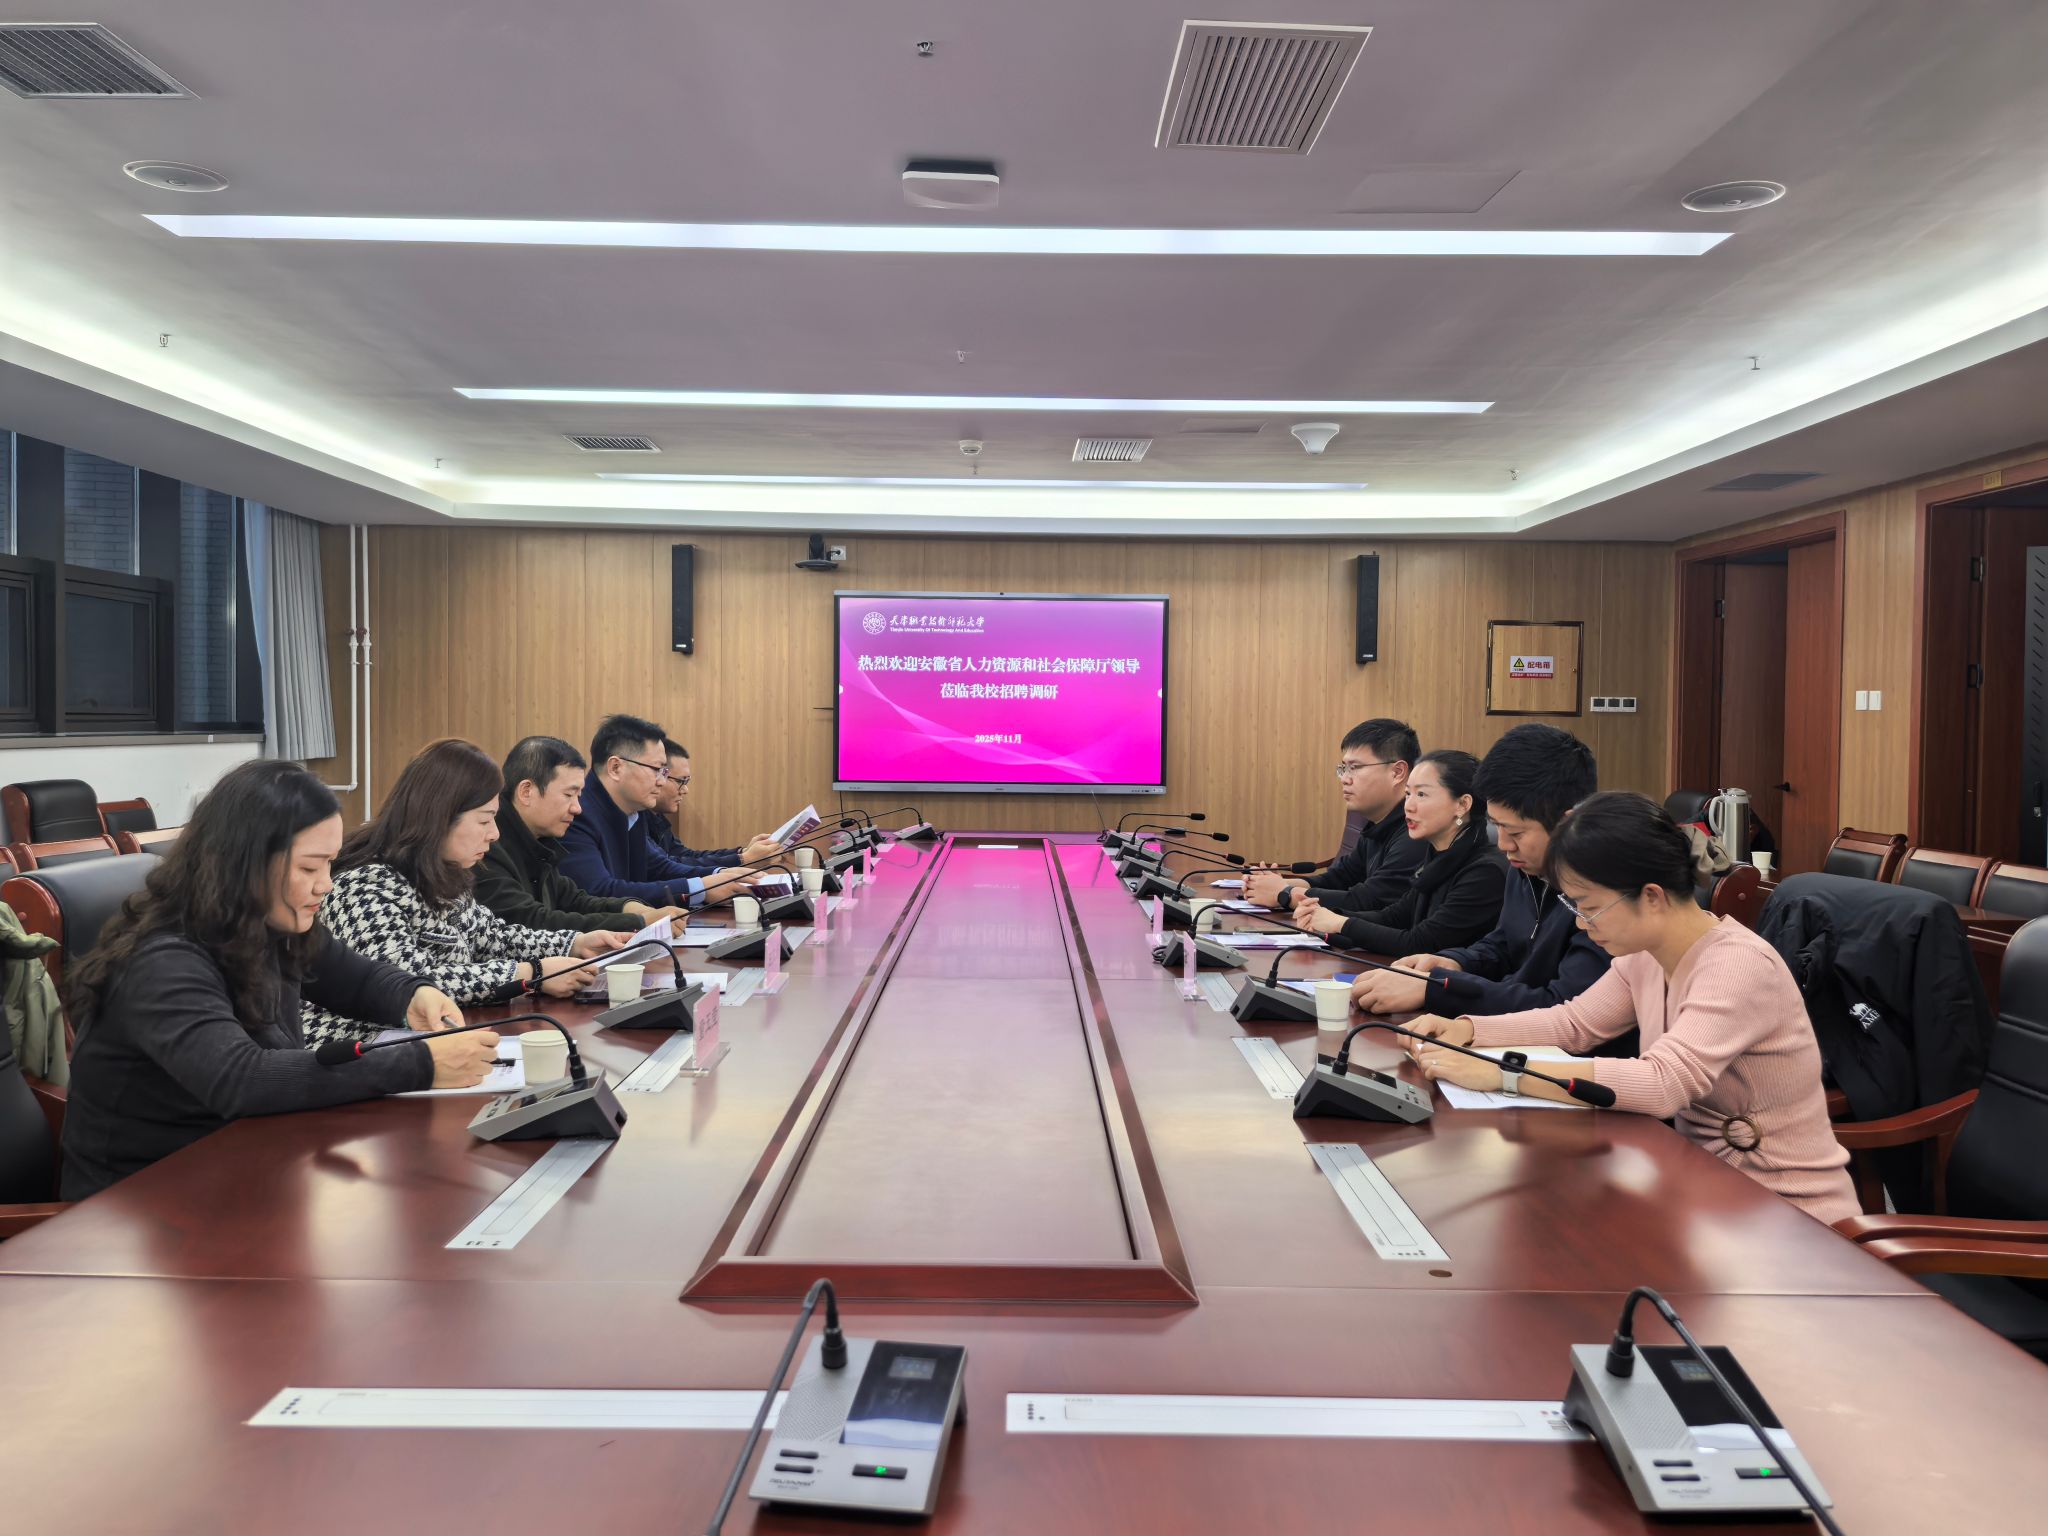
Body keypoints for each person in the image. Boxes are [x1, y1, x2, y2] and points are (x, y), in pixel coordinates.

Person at [1402, 792, 1858, 1227]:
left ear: (1652, 896)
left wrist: (1504, 1072)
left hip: (1786, 1211)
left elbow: (1663, 1083)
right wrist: (1467, 1031)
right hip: (1701, 1189)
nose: (1581, 923)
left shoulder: (1737, 965)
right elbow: (1575, 1023)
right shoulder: (1646, 954)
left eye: (1590, 907)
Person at [58, 760, 501, 1200]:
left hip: (246, 1169)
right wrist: (420, 1063)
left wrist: (413, 994)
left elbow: (356, 979)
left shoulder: (268, 925)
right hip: (140, 1206)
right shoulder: (162, 961)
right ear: (246, 864)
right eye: (309, 869)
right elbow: (241, 1078)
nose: (326, 884)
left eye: (329, 864)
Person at [307, 739, 619, 1047]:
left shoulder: (442, 871)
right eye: (484, 820)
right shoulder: (365, 885)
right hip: (361, 1051)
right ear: (440, 817)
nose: (494, 833)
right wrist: (531, 973)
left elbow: (490, 937)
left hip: (428, 1042)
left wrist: (574, 943)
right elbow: (409, 986)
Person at [1350, 723, 1608, 1017]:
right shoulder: (1524, 866)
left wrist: (1436, 990)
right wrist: (1453, 962)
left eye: (1516, 833)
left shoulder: (1604, 893)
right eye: (1496, 826)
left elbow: (1563, 1007)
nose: (1504, 844)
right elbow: (1502, 945)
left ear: (1567, 823)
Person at [1292, 749, 1507, 956]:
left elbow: (1419, 943)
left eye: (1421, 794)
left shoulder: (1485, 872)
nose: (1408, 806)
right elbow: (1394, 917)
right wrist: (1326, 916)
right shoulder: (1439, 854)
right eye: (1407, 794)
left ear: (1462, 804)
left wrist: (1341, 924)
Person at [475, 735, 688, 935]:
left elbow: (575, 900)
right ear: (526, 792)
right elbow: (531, 921)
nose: (577, 808)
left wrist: (632, 908)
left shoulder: (541, 842)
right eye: (569, 794)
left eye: (578, 796)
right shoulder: (485, 847)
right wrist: (637, 922)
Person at [558, 714, 758, 908]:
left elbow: (658, 867)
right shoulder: (577, 814)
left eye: (664, 772)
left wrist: (720, 875)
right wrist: (701, 889)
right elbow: (599, 891)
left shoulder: (631, 811)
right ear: (616, 768)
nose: (662, 781)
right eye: (656, 770)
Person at [1243, 719, 1423, 913]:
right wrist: (1275, 884)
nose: (1344, 779)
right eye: (1343, 769)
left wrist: (1285, 894)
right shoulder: (1378, 823)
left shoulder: (1416, 833)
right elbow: (1340, 878)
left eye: (1354, 767)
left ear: (1397, 772)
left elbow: (1369, 901)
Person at [644, 738, 781, 869]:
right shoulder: (636, 819)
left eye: (686, 782)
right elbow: (668, 866)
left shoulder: (656, 817)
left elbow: (684, 856)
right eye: (681, 781)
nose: (685, 790)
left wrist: (743, 853)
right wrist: (744, 859)